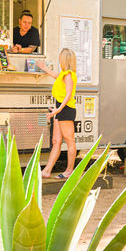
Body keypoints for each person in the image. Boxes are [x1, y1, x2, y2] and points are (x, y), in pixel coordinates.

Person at [37, 48, 77, 178]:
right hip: (59, 108)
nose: (59, 60)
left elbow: (68, 95)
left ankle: (69, 170)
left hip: (65, 109)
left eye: (60, 58)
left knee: (70, 140)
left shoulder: (69, 75)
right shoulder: (64, 74)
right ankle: (47, 170)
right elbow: (55, 75)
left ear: (64, 59)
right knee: (56, 140)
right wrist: (43, 68)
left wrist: (58, 111)